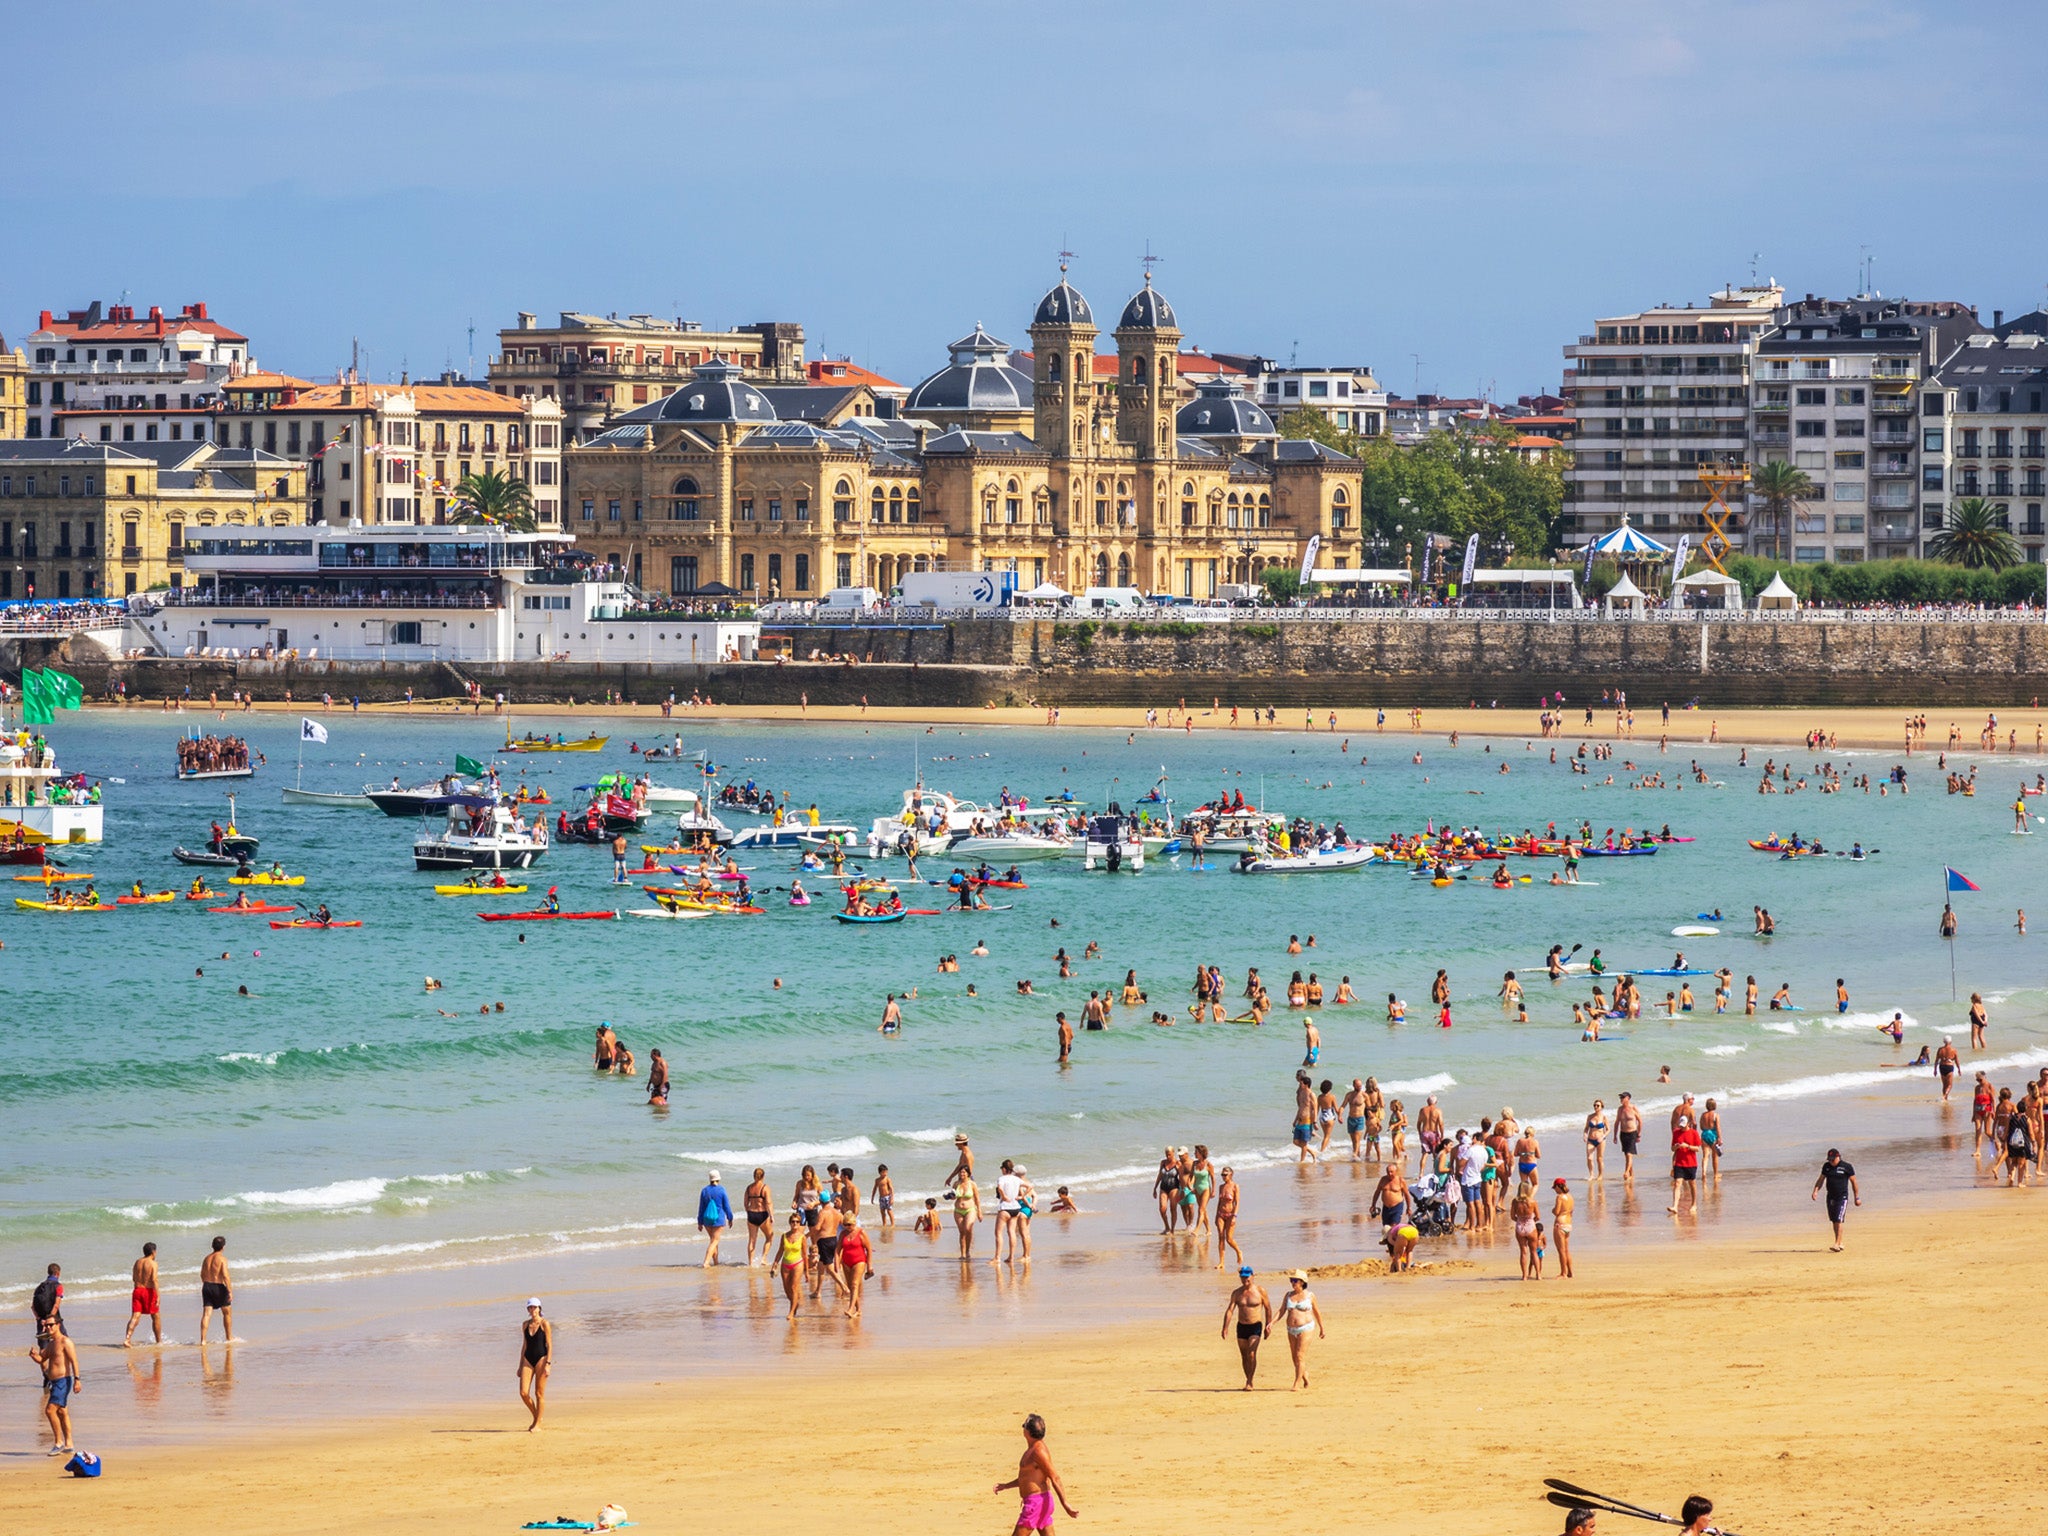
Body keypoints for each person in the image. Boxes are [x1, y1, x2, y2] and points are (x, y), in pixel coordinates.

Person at [994, 1413, 1079, 1535]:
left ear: (1028, 1432)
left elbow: (1054, 1477)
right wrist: (1005, 1486)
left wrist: (1065, 1504)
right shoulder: (1032, 1449)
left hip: (1036, 1504)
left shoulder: (1038, 1451)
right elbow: (1026, 1479)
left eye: (1024, 1426)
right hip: (1039, 1502)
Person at [1220, 1266, 1272, 1390]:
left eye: (1247, 1277)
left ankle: (1250, 1381)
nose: (1245, 1279)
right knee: (1244, 1355)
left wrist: (1268, 1326)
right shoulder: (1237, 1293)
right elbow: (1230, 1311)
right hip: (1241, 1327)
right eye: (1243, 1277)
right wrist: (1225, 1327)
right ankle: (1248, 1378)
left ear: (1253, 1276)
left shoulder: (1260, 1291)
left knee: (1252, 1353)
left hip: (1255, 1326)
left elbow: (1268, 1308)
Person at [32, 1323, 80, 1456]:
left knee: (49, 1410)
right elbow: (42, 1359)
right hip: (55, 1382)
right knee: (62, 1412)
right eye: (46, 1325)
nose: (48, 1327)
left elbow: (74, 1361)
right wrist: (34, 1356)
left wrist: (77, 1379)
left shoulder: (66, 1341)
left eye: (51, 1325)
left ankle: (58, 1443)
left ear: (58, 1325)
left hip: (63, 1381)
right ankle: (69, 1444)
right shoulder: (52, 1344)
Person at [1279, 1269, 1324, 1390]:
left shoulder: (1310, 1295)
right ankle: (1305, 1378)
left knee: (1299, 1355)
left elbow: (1317, 1312)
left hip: (1306, 1328)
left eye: (1295, 1280)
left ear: (1302, 1282)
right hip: (1291, 1329)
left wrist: (1322, 1328)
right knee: (1294, 1357)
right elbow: (1282, 1310)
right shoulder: (1288, 1295)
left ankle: (1296, 1383)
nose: (1292, 1283)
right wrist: (1272, 1323)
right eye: (1291, 1280)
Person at [1811, 1148, 1859, 1251]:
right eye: (1829, 1159)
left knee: (1839, 1219)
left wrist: (1857, 1197)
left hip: (1842, 1197)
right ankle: (1840, 1242)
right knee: (1834, 1220)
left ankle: (1837, 1244)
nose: (1831, 1162)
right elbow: (1820, 1180)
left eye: (1833, 1159)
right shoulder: (1826, 1167)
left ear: (1838, 1157)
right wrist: (1815, 1191)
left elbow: (1854, 1182)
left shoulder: (1847, 1167)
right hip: (1830, 1197)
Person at [517, 1298, 552, 1430]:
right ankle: (537, 1416)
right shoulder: (525, 1325)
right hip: (527, 1359)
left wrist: (548, 1364)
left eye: (534, 1307)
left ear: (539, 1308)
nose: (532, 1310)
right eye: (530, 1308)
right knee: (523, 1393)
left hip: (541, 1359)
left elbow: (549, 1344)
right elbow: (524, 1345)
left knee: (539, 1393)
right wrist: (520, 1365)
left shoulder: (545, 1324)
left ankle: (537, 1424)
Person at [125, 1242, 161, 1346]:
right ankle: (159, 1341)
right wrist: (158, 1296)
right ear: (153, 1252)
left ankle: (127, 1339)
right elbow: (154, 1279)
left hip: (137, 1290)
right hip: (148, 1291)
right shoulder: (153, 1263)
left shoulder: (137, 1262)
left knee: (135, 1316)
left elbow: (134, 1278)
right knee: (156, 1316)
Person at [837, 1212, 872, 1318]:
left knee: (854, 1284)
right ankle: (858, 1310)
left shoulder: (861, 1233)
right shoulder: (843, 1233)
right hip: (846, 1262)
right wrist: (836, 1262)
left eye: (849, 1225)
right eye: (845, 1224)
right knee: (851, 1287)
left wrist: (869, 1266)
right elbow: (838, 1249)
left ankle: (850, 1308)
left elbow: (869, 1249)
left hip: (859, 1261)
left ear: (854, 1223)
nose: (847, 1227)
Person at [200, 1235, 233, 1343]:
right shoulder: (222, 1259)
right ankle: (229, 1337)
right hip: (218, 1286)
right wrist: (229, 1291)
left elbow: (202, 1274)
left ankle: (203, 1340)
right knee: (227, 1312)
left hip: (206, 1286)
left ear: (212, 1246)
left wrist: (207, 1285)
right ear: (223, 1247)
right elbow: (225, 1276)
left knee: (206, 1314)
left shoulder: (206, 1258)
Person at [775, 1212, 809, 1319]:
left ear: (800, 1224)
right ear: (790, 1223)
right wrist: (775, 1263)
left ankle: (791, 1311)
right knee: (787, 1289)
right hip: (785, 1264)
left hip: (797, 1264)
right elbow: (780, 1251)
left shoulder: (802, 1237)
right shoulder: (784, 1236)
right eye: (793, 1222)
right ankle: (795, 1304)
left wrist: (806, 1271)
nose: (795, 1224)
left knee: (794, 1287)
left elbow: (804, 1254)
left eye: (797, 1222)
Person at [696, 1171, 734, 1267]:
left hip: (707, 1220)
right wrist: (730, 1218)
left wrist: (700, 1222)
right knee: (714, 1241)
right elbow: (726, 1207)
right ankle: (706, 1262)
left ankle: (716, 1262)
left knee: (713, 1241)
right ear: (718, 1179)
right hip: (718, 1220)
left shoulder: (704, 1190)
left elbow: (701, 1208)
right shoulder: (721, 1190)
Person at [1213, 1166, 1244, 1270]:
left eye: (1225, 1175)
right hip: (1221, 1214)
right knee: (1220, 1237)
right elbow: (1219, 1201)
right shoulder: (1221, 1187)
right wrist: (1216, 1215)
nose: (1223, 1177)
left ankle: (1238, 1251)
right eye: (1222, 1175)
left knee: (1229, 1239)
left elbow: (1237, 1202)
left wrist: (1234, 1215)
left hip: (1230, 1214)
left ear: (1231, 1175)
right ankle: (1221, 1262)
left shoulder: (1235, 1186)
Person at [1614, 1093, 1642, 1180]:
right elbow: (1617, 1122)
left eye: (1623, 1097)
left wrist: (1639, 1134)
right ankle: (1631, 1174)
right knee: (1627, 1155)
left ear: (1628, 1098)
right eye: (1620, 1097)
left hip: (1632, 1133)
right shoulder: (1620, 1109)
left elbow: (1640, 1121)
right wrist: (1615, 1135)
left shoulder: (1633, 1108)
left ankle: (1626, 1172)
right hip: (1623, 1134)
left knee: (1629, 1155)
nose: (1621, 1099)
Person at [1551, 1178, 1575, 1278]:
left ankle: (1563, 1273)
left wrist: (1552, 1210)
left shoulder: (1559, 1197)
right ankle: (1570, 1272)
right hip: (1568, 1223)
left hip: (1560, 1223)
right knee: (1566, 1249)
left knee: (1561, 1250)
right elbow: (1571, 1211)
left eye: (1555, 1188)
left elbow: (1556, 1212)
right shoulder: (1570, 1197)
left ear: (1558, 1187)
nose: (1555, 1190)